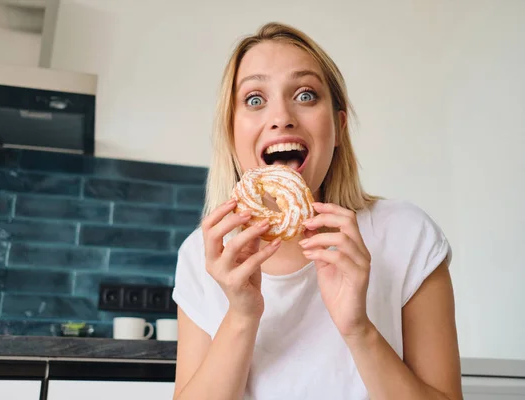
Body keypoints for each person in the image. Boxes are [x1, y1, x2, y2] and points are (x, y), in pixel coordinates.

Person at [171, 22, 462, 400]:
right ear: (231, 133)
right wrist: (241, 316)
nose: (281, 117)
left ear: (338, 128)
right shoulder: (203, 256)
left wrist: (358, 328)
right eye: (255, 99)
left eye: (306, 94)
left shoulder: (406, 236)